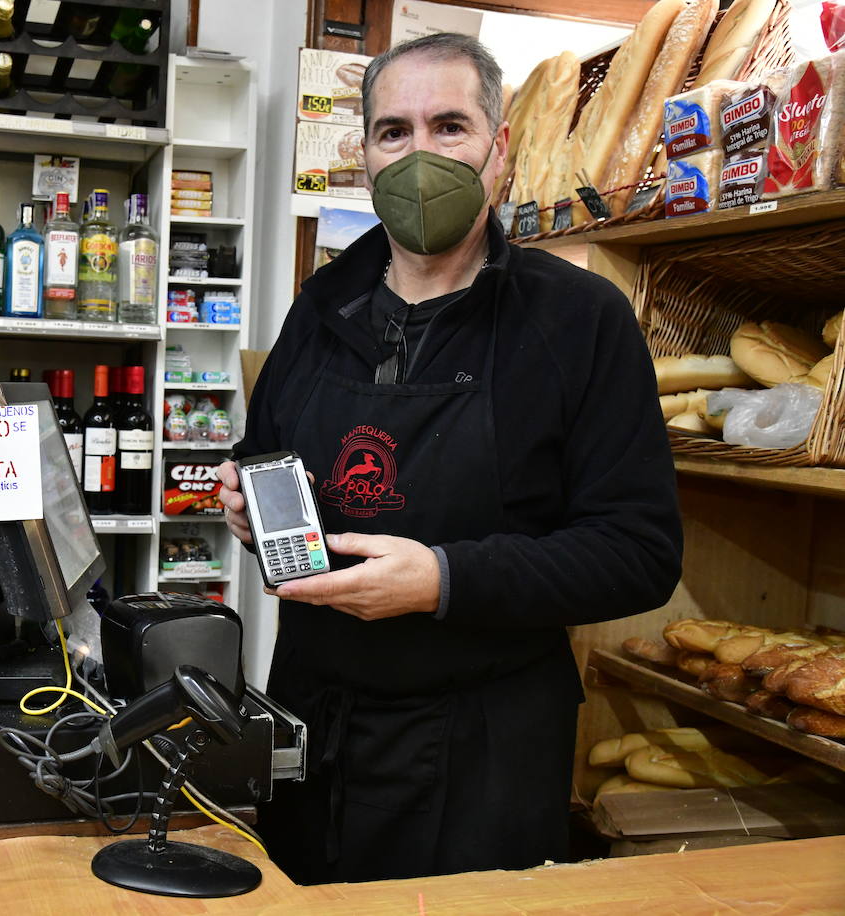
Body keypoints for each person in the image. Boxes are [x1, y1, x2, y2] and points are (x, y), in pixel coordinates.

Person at [218, 32, 683, 884]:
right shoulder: (318, 309)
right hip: (314, 732)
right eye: (394, 131)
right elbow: (266, 459)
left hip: (484, 751)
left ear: (498, 150)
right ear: (363, 154)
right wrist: (250, 513)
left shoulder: (580, 322)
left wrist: (442, 580)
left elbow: (639, 553)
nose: (419, 154)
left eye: (449, 127)